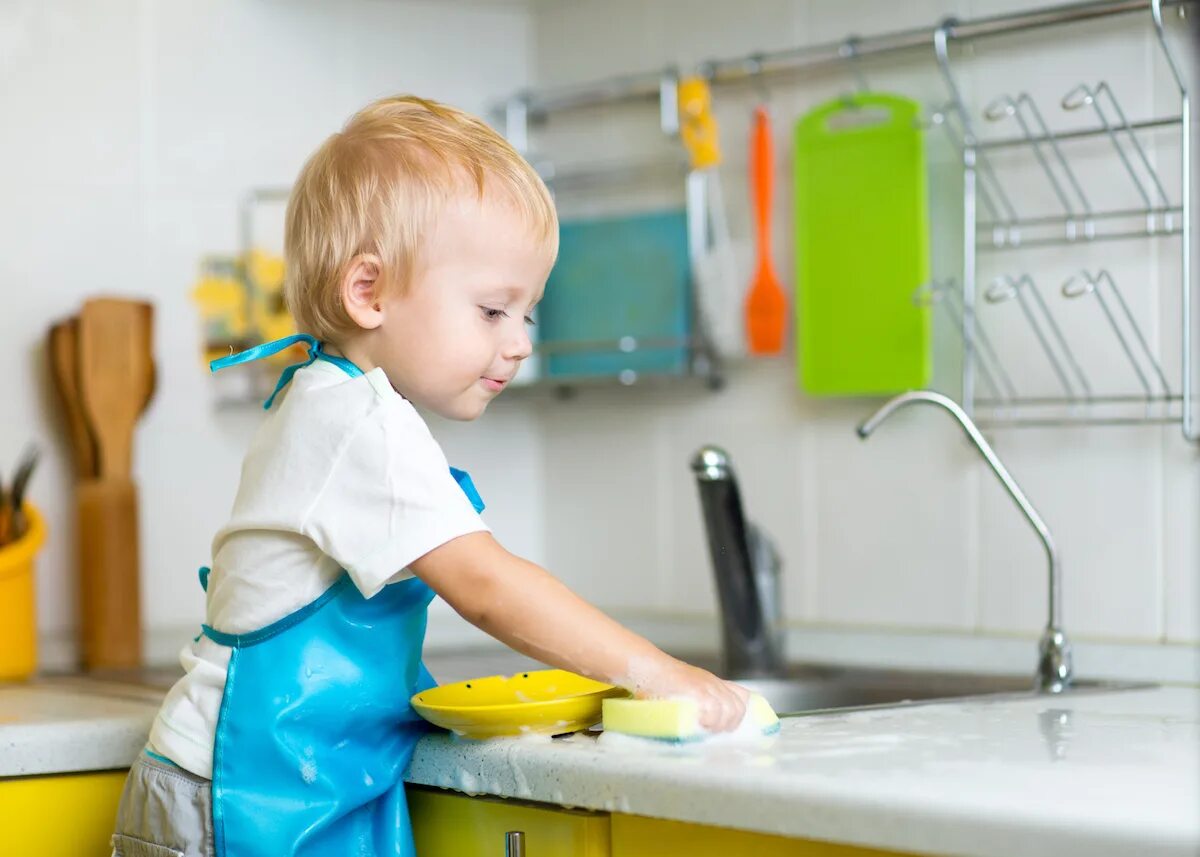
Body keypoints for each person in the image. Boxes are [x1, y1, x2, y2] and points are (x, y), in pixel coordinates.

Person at [110, 94, 749, 857]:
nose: (518, 343)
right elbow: (485, 584)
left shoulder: (337, 402)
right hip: (241, 793)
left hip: (290, 783)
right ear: (369, 292)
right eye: (491, 311)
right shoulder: (357, 427)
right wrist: (656, 672)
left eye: (528, 315)